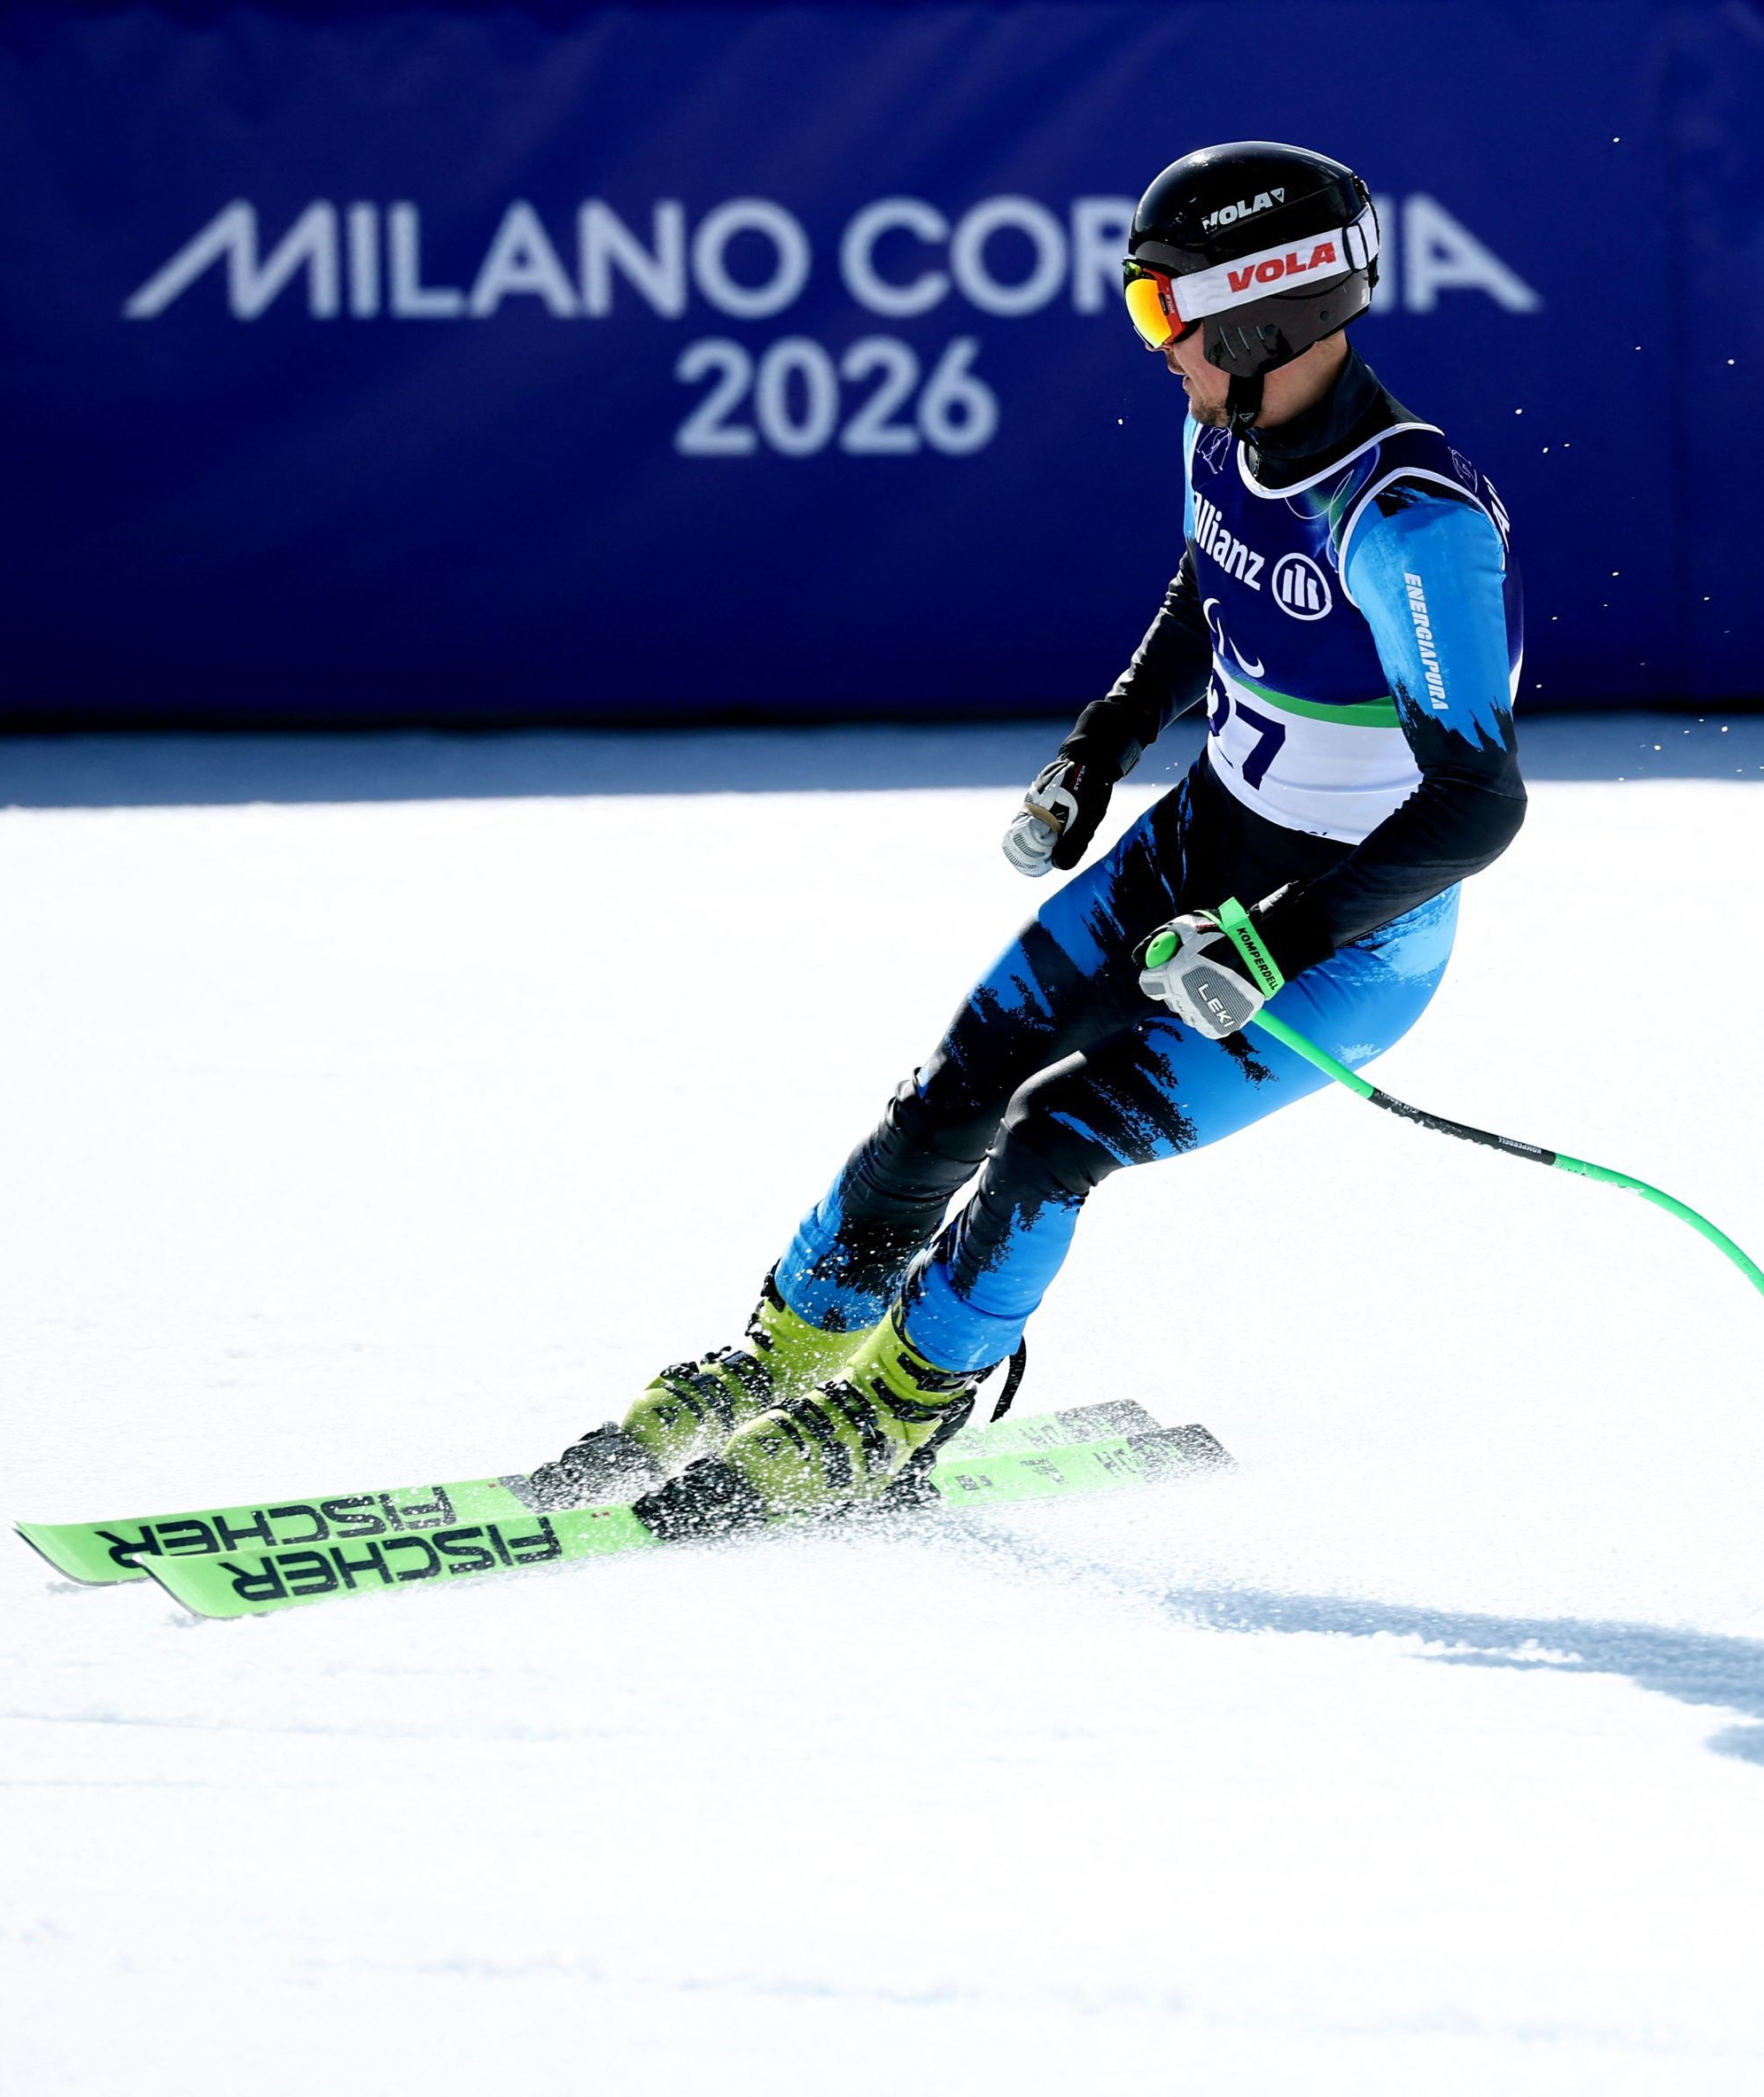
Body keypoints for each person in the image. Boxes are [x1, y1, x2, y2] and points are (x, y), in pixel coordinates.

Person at [533, 141, 1527, 1534]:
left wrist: (1275, 945)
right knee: (958, 1082)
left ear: (1261, 318)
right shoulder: (1225, 429)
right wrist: (1104, 744)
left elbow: (1481, 804)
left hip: (1346, 942)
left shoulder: (1410, 525)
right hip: (1204, 844)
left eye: (1160, 314)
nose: (1156, 351)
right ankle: (790, 1351)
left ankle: (898, 1412)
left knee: (1056, 1137)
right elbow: (1211, 586)